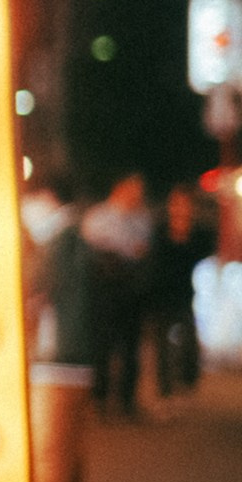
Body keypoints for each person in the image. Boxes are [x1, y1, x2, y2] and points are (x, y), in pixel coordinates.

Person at [23, 173, 100, 482]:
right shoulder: (75, 238)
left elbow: (38, 287)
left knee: (49, 454)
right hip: (75, 360)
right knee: (69, 453)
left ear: (47, 197)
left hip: (56, 361)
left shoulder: (60, 240)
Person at [79, 168, 154, 415]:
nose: (138, 196)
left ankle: (127, 400)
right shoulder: (98, 217)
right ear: (120, 188)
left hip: (132, 289)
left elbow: (143, 251)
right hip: (105, 289)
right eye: (134, 190)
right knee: (103, 344)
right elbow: (93, 252)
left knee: (131, 346)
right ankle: (100, 398)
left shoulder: (142, 220)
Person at [144, 182, 213, 398]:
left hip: (187, 294)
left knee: (189, 341)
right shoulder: (160, 230)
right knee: (162, 345)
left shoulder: (200, 233)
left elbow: (206, 261)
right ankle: (164, 390)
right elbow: (153, 262)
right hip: (162, 294)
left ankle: (187, 378)